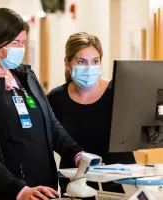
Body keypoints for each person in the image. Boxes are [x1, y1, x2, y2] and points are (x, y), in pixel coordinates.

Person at [0, 8, 85, 200]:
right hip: (0, 192)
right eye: (15, 43)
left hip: (39, 190)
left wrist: (77, 154)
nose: (20, 48)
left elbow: (51, 125)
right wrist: (19, 190)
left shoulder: (25, 76)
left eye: (22, 42)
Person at [47, 32, 136, 198]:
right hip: (75, 186)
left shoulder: (119, 92)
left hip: (120, 185)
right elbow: (50, 140)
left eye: (95, 61)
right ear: (67, 63)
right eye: (81, 62)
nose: (89, 68)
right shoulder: (56, 99)